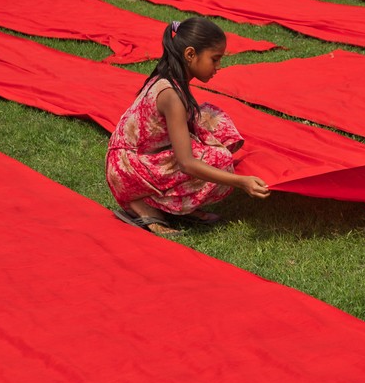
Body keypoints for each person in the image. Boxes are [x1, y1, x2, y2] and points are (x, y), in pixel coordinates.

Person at [106, 17, 270, 235]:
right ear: (190, 55)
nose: (218, 67)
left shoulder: (171, 80)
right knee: (220, 161)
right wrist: (241, 182)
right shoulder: (171, 96)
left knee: (215, 122)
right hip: (127, 171)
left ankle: (174, 206)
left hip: (130, 162)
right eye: (215, 59)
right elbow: (186, 164)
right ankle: (144, 204)